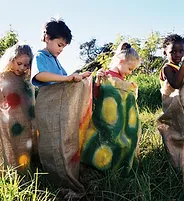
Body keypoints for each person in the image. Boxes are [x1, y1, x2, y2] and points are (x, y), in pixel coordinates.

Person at [80, 42, 141, 175]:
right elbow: (96, 96)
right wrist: (98, 81)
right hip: (103, 119)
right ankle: (96, 166)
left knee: (119, 142)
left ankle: (115, 167)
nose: (130, 72)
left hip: (120, 122)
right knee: (102, 140)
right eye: (130, 69)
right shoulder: (105, 75)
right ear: (121, 61)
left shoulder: (124, 81)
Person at [0, 43, 35, 172]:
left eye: (26, 65)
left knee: (23, 148)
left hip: (25, 122)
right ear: (11, 60)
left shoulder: (26, 80)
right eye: (19, 63)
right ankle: (10, 173)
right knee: (9, 148)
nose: (22, 68)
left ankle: (24, 171)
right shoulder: (3, 77)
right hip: (7, 122)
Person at [31, 18, 90, 87]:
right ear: (47, 38)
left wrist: (79, 76)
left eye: (63, 47)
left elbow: (65, 78)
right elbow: (39, 75)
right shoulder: (40, 56)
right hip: (47, 97)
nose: (61, 49)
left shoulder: (55, 60)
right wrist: (67, 78)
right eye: (59, 45)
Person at [157, 34, 184, 179]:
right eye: (173, 51)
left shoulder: (178, 67)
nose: (178, 54)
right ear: (165, 53)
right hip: (171, 107)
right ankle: (176, 166)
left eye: (181, 51)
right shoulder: (167, 68)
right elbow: (175, 84)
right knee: (174, 133)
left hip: (179, 106)